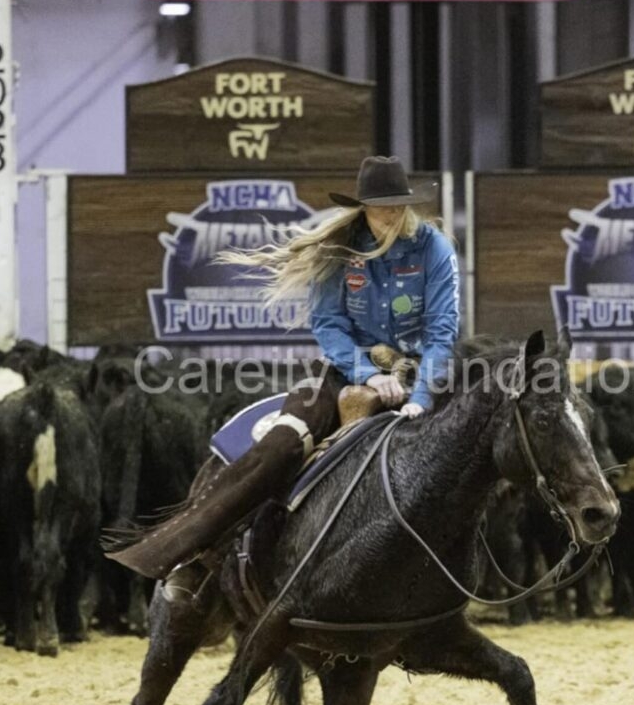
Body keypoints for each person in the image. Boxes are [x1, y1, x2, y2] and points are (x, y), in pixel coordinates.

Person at [108, 156, 461, 589]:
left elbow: (442, 329)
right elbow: (329, 324)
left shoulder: (433, 247)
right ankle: (198, 555)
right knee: (282, 443)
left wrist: (422, 398)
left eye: (397, 205)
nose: (390, 214)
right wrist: (368, 374)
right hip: (344, 371)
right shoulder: (339, 249)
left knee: (470, 445)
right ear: (363, 207)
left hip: (420, 371)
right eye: (381, 206)